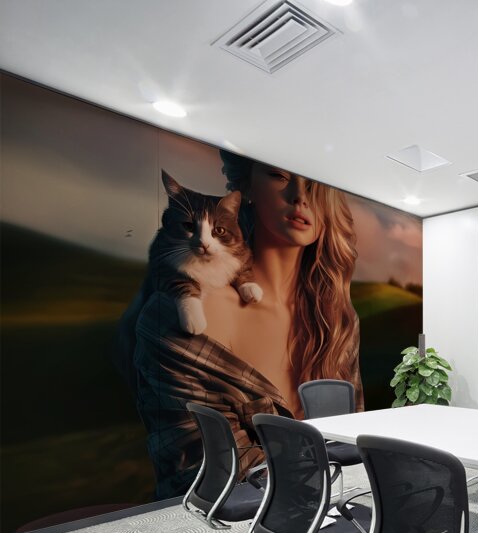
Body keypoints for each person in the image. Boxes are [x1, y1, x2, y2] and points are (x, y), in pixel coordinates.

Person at [118, 151, 363, 500]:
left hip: (325, 500)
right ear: (245, 185)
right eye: (278, 176)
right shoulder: (181, 320)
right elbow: (209, 476)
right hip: (236, 516)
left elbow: (352, 435)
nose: (300, 197)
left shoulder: (337, 320)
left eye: (314, 187)